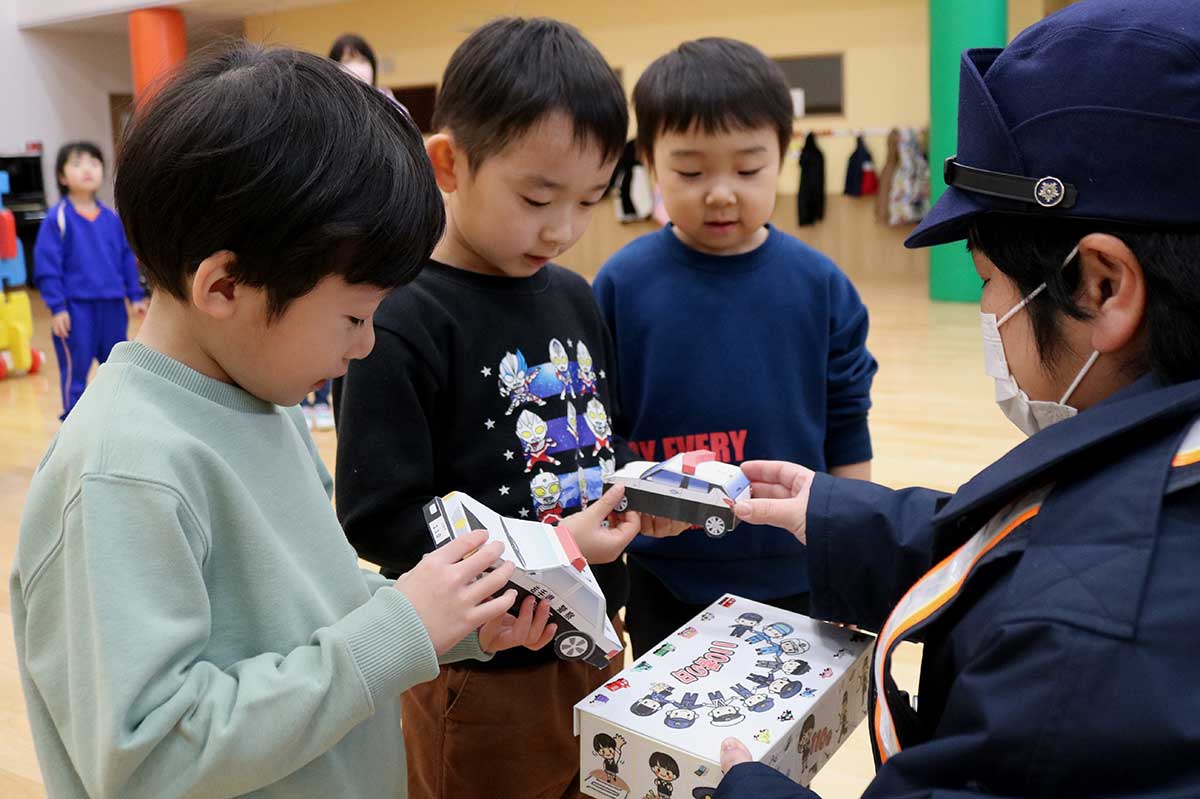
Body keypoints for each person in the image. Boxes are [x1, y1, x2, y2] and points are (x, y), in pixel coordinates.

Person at [8, 43, 602, 798]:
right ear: (225, 287)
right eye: (354, 316)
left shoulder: (263, 400)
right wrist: (397, 631)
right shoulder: (121, 473)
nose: (367, 344)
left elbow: (320, 610)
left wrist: (449, 626)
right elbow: (148, 759)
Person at [714, 1, 1200, 796]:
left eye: (987, 279)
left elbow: (1072, 577)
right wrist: (834, 513)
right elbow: (1060, 536)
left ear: (1102, 286)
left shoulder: (1076, 652)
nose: (987, 309)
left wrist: (744, 786)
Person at [333, 17, 676, 799]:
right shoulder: (398, 316)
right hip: (480, 673)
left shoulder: (577, 297)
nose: (564, 228)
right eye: (537, 197)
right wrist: (552, 547)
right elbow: (379, 517)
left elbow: (600, 442)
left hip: (597, 644)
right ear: (449, 164)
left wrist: (643, 490)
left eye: (589, 200)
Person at [593, 38, 877, 658]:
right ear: (650, 162)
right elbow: (602, 430)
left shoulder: (821, 285)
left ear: (783, 154)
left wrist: (851, 544)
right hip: (665, 570)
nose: (720, 193)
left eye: (747, 170)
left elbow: (848, 422)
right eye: (691, 172)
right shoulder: (620, 284)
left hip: (797, 561)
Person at [33, 141, 147, 419]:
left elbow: (125, 259)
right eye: (77, 163)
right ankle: (72, 423)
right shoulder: (57, 219)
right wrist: (57, 307)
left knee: (116, 367)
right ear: (62, 177)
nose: (87, 169)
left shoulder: (111, 219)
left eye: (94, 163)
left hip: (113, 308)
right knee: (76, 371)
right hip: (76, 310)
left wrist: (135, 295)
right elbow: (47, 267)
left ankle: (116, 419)